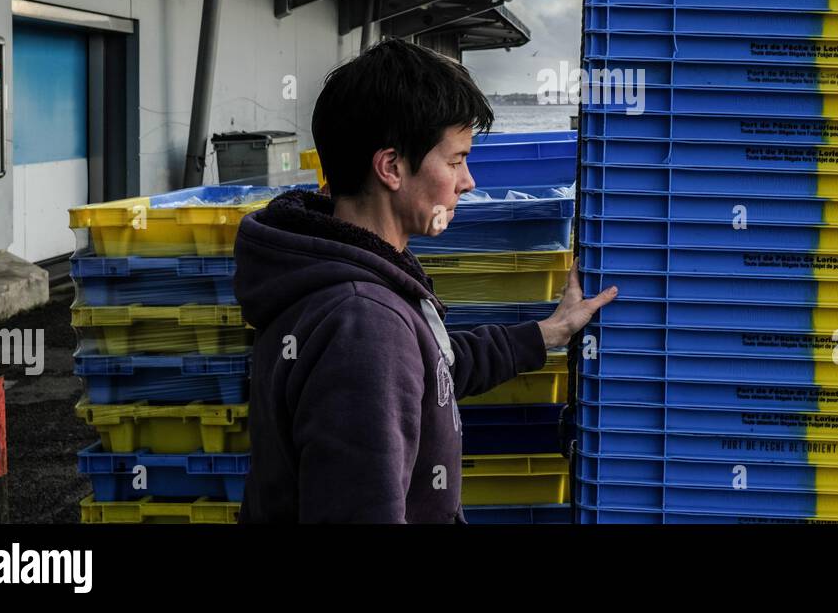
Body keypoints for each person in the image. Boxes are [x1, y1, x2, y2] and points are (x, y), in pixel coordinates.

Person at [233, 39, 615, 523]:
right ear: (391, 167)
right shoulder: (362, 323)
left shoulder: (345, 281)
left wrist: (551, 332)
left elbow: (434, 369)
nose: (468, 181)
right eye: (455, 160)